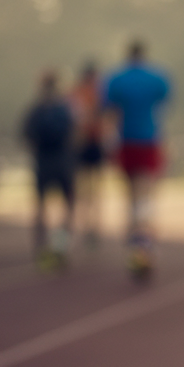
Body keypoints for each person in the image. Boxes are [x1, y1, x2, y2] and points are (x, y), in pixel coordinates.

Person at [104, 40, 171, 280]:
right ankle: (144, 247)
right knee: (146, 196)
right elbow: (163, 105)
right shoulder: (157, 78)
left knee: (131, 196)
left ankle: (136, 248)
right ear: (144, 55)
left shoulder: (115, 79)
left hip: (125, 142)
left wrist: (110, 143)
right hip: (149, 140)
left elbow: (109, 112)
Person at [23, 70, 76, 270]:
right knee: (67, 207)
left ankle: (41, 250)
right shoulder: (63, 109)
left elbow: (26, 136)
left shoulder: (35, 110)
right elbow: (73, 133)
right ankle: (60, 247)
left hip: (43, 162)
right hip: (62, 162)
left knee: (41, 208)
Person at [69, 61, 106, 247]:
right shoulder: (84, 93)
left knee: (93, 187)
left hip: (92, 143)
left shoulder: (95, 93)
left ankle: (93, 225)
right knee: (86, 188)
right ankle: (88, 225)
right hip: (86, 144)